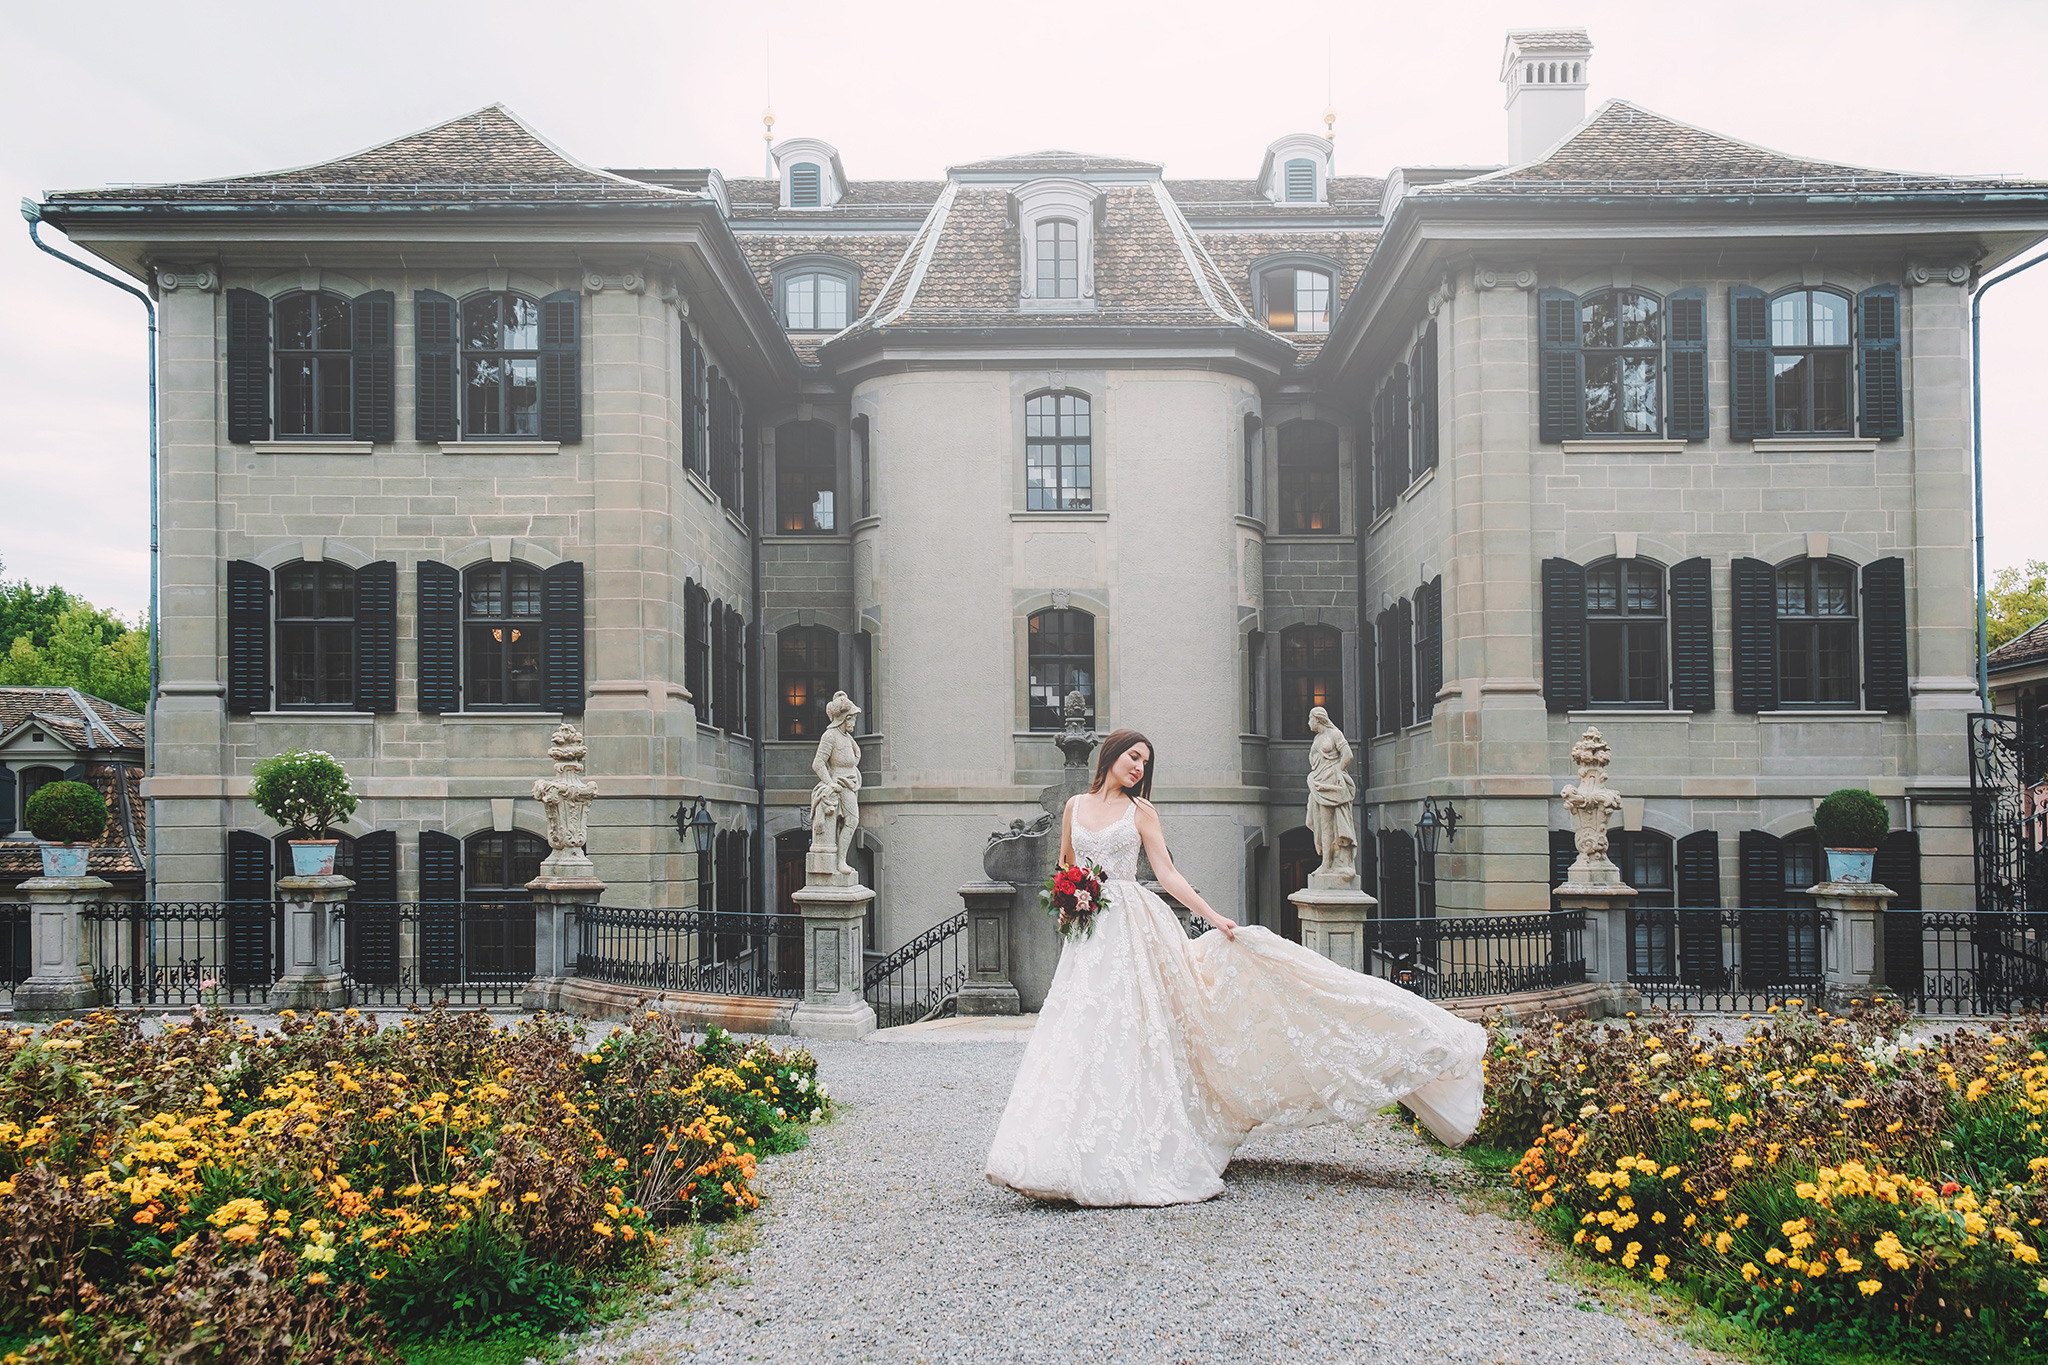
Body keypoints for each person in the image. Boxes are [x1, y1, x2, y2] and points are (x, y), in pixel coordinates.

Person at [984, 728, 1485, 1207]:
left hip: (1134, 925)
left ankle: (1137, 1147)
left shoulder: (1142, 812)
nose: (1139, 767)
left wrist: (1215, 918)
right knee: (1081, 1031)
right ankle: (1060, 1151)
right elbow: (1066, 865)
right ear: (1112, 754)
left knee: (1140, 1030)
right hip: (1089, 933)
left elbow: (1167, 873)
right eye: (1134, 756)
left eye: (1145, 762)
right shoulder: (1074, 807)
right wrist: (1070, 900)